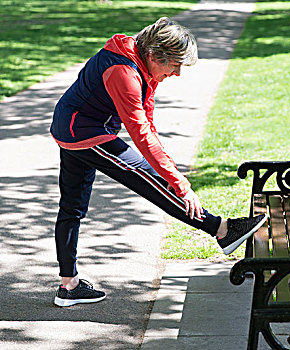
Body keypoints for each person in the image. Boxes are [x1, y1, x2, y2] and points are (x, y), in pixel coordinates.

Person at [49, 17, 267, 307]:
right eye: (174, 65)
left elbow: (147, 122)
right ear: (155, 55)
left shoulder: (138, 60)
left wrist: (171, 169)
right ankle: (221, 230)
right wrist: (180, 182)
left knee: (72, 206)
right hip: (85, 132)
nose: (176, 73)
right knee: (149, 177)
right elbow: (140, 135)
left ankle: (69, 287)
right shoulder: (123, 72)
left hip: (72, 126)